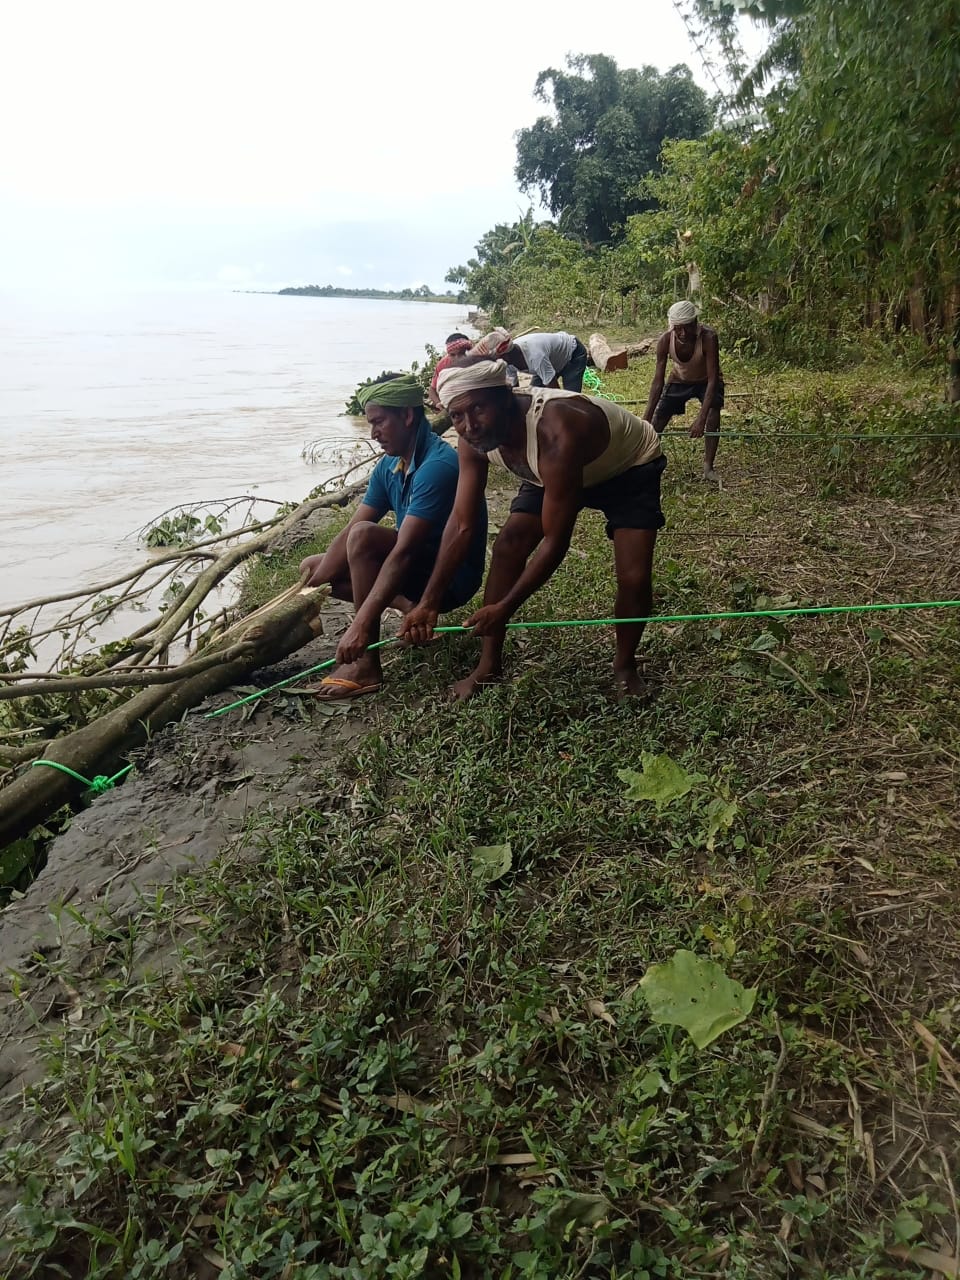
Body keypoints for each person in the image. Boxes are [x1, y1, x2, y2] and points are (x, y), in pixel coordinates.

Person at [399, 360, 666, 700]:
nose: (469, 425)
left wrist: (506, 606)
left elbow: (556, 542)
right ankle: (488, 666)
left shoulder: (558, 430)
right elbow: (461, 523)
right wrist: (428, 602)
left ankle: (624, 666)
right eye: (457, 416)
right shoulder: (472, 438)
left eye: (479, 408)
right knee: (509, 543)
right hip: (546, 472)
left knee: (634, 577)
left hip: (627, 466)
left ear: (506, 397)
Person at [299, 373, 487, 698]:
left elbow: (402, 551)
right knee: (313, 566)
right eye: (370, 424)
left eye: (379, 422)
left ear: (408, 415)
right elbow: (350, 529)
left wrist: (358, 627)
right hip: (416, 568)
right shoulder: (390, 466)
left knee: (364, 539)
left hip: (448, 581)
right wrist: (310, 589)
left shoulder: (438, 465)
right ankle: (405, 605)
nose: (373, 434)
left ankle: (367, 664)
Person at [644, 300, 724, 481]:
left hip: (706, 382)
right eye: (678, 328)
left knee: (713, 413)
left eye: (687, 328)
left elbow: (712, 380)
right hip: (679, 380)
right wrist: (646, 418)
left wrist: (701, 419)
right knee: (659, 417)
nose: (683, 333)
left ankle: (708, 468)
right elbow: (658, 381)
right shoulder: (665, 340)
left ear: (695, 323)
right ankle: (646, 462)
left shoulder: (709, 337)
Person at [472, 328, 589, 392]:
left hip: (573, 354)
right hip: (551, 360)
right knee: (533, 394)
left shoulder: (536, 356)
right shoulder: (507, 361)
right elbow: (514, 388)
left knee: (570, 399)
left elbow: (555, 392)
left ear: (504, 356)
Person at [427, 333, 474, 410]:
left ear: (469, 351)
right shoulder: (443, 364)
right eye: (452, 355)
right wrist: (438, 403)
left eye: (461, 353)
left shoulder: (478, 361)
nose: (457, 358)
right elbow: (432, 390)